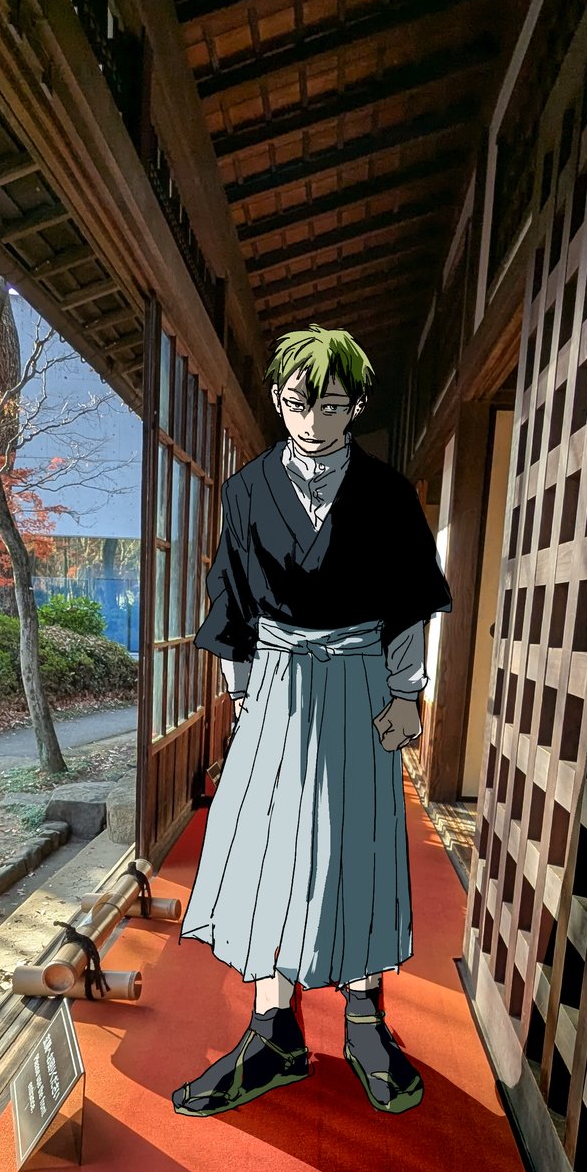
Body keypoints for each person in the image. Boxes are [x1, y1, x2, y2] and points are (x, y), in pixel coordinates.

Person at [172, 323, 452, 1118]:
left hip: (361, 683)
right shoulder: (246, 492)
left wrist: (406, 693)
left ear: (355, 406)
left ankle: (365, 1023)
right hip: (276, 684)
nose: (314, 422)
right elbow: (230, 601)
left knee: (357, 847)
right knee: (267, 852)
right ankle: (273, 1031)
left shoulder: (389, 494)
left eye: (332, 406)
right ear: (277, 399)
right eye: (299, 403)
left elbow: (409, 603)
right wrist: (243, 694)